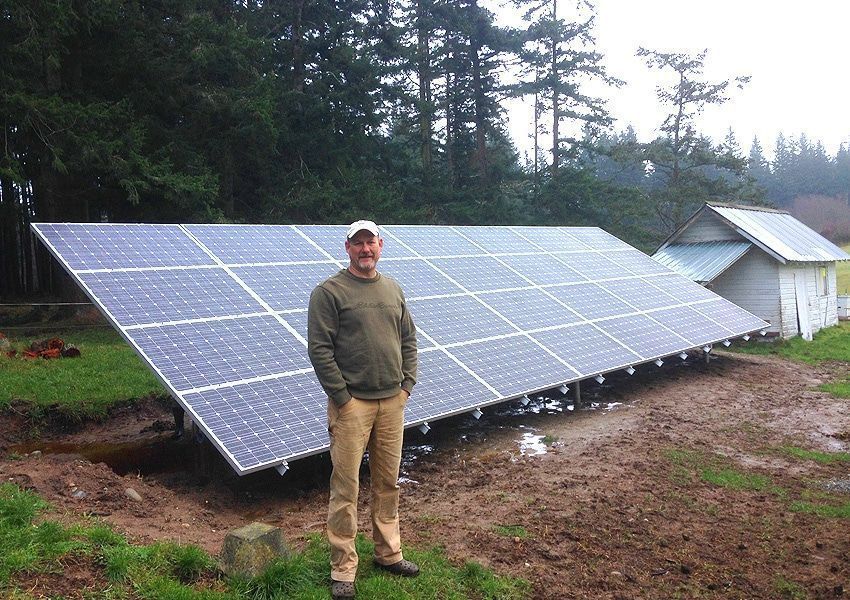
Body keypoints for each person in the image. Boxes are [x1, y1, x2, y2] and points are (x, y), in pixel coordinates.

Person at [307, 219, 419, 600]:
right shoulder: (330, 292)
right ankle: (343, 568)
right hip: (352, 405)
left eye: (370, 242)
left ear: (380, 245)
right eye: (358, 243)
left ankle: (389, 553)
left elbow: (409, 339)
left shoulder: (392, 289)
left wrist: (406, 386)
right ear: (347, 247)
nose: (365, 249)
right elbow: (320, 350)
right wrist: (342, 397)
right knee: (346, 487)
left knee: (388, 482)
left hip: (392, 403)